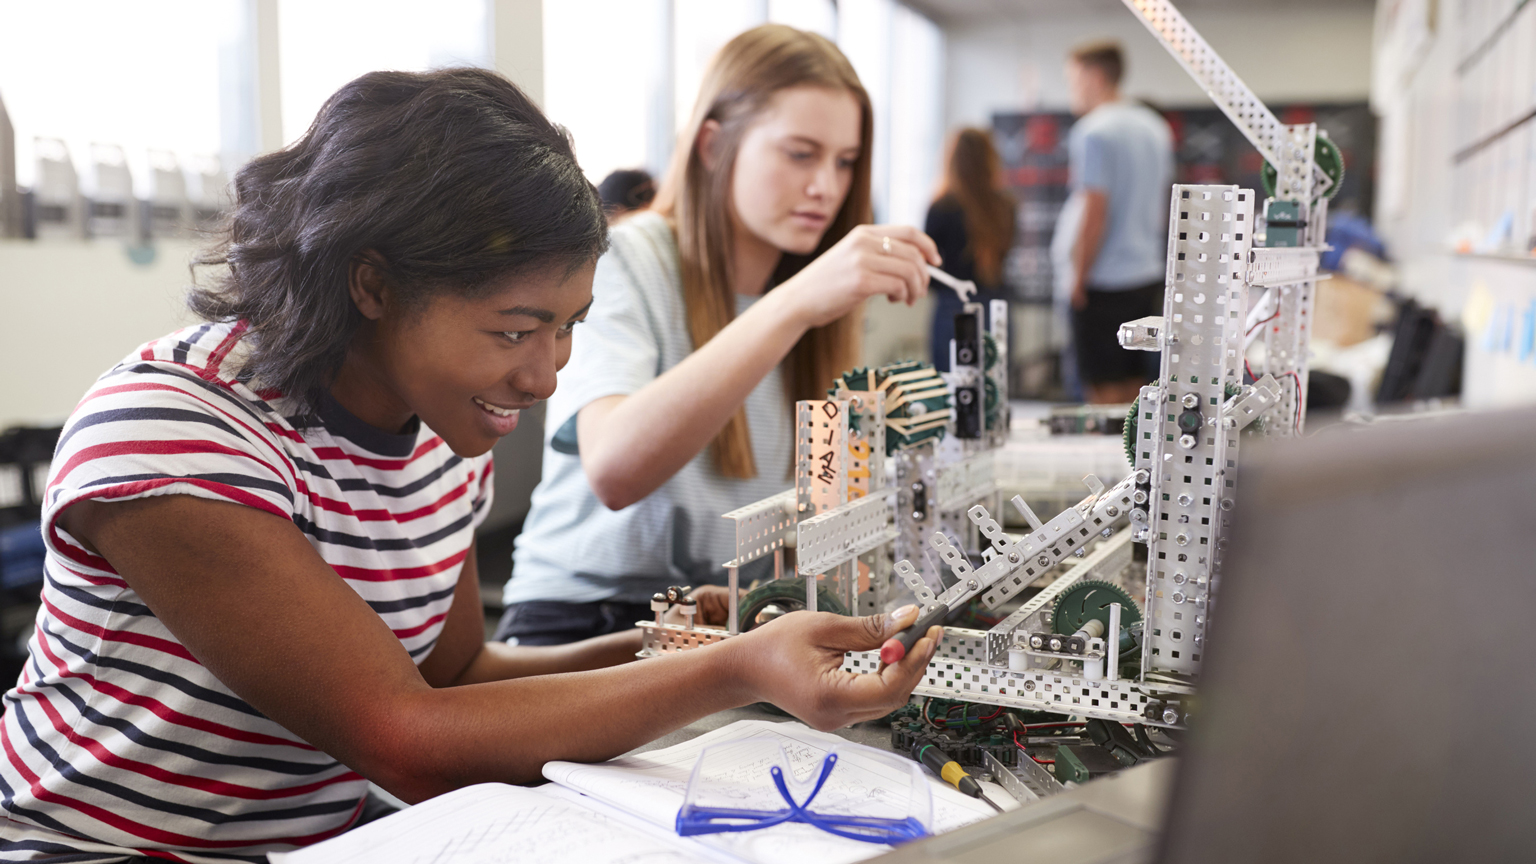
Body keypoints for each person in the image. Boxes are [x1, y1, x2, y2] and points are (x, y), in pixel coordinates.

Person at [0, 68, 942, 862]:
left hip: (320, 845)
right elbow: (405, 737)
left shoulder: (440, 435)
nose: (545, 375)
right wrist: (737, 671)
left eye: (569, 326)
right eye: (515, 329)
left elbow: (456, 677)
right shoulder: (179, 430)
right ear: (372, 284)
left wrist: (675, 645)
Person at [496, 25, 941, 646]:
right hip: (585, 621)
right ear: (712, 144)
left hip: (729, 619)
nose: (826, 187)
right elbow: (615, 469)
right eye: (800, 153)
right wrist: (796, 304)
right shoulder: (626, 258)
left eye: (844, 162)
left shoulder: (810, 303)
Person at [1059, 40, 1173, 404]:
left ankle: (1113, 460)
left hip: (1104, 281)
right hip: (1146, 275)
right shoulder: (1155, 127)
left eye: (1074, 79)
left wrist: (1078, 277)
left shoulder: (1094, 131)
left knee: (1103, 387)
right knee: (1135, 384)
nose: (1072, 90)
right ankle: (1135, 458)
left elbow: (1095, 211)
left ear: (1094, 77)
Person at [925, 128, 1016, 371]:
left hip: (952, 309)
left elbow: (929, 268)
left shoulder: (942, 207)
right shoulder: (1006, 206)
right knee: (994, 390)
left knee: (952, 390)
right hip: (996, 306)